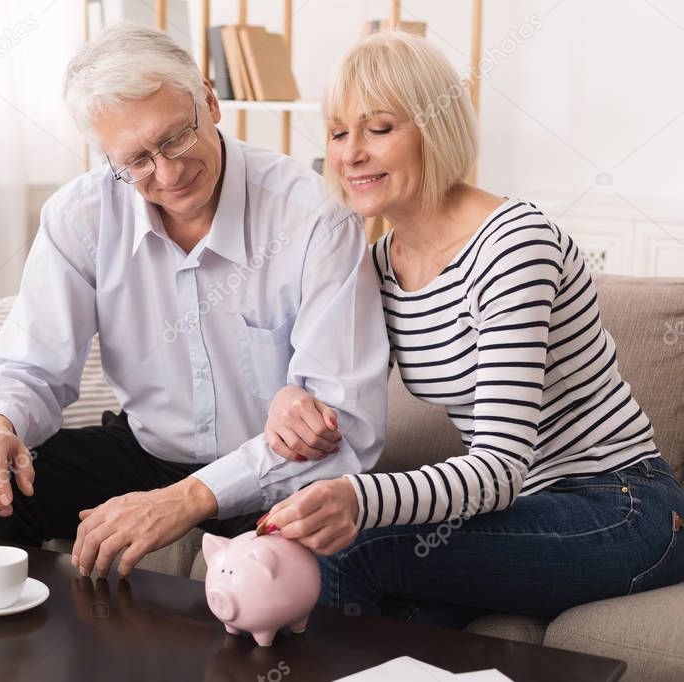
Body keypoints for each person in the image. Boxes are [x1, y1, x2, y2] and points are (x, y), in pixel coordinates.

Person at [0, 23, 390, 578]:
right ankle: (22, 651)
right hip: (145, 452)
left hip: (275, 469)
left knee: (284, 570)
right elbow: (31, 363)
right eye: (138, 160)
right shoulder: (81, 215)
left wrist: (187, 498)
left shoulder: (312, 216)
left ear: (209, 101)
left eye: (175, 138)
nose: (169, 173)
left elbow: (348, 430)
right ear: (106, 155)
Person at [260, 30, 684, 629]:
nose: (351, 152)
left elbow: (499, 468)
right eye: (337, 133)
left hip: (623, 507)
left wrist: (361, 501)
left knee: (350, 551)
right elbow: (334, 405)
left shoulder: (514, 244)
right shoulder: (377, 265)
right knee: (396, 608)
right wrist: (289, 396)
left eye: (378, 128)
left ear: (434, 131)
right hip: (523, 513)